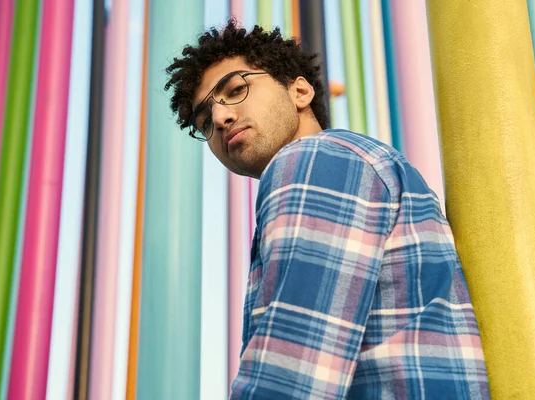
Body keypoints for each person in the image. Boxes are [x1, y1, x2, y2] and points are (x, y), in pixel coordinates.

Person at [165, 20, 490, 399]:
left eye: (236, 89)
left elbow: (294, 369)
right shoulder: (357, 163)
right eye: (204, 122)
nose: (220, 119)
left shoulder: (312, 158)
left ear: (300, 90)